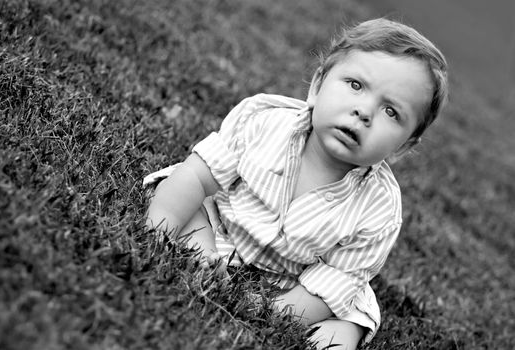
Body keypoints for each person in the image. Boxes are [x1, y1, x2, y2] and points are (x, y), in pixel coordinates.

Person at [144, 18, 448, 349]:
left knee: (348, 323)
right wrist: (162, 224)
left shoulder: (380, 208)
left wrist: (267, 310)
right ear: (317, 87)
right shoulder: (262, 120)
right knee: (185, 201)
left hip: (299, 282)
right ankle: (200, 257)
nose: (364, 111)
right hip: (225, 227)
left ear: (403, 146)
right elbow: (197, 176)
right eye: (356, 85)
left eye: (391, 112)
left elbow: (335, 281)